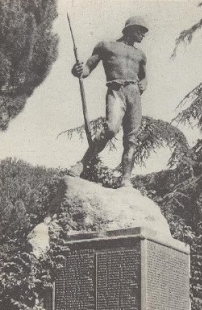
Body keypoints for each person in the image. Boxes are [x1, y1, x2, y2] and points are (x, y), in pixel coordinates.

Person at [71, 16, 148, 187]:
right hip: (116, 90)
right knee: (111, 128)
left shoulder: (140, 55)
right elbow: (87, 69)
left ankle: (126, 179)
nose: (143, 35)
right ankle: (82, 163)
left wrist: (142, 86)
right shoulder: (107, 46)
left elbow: (144, 77)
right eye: (140, 31)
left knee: (131, 139)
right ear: (129, 29)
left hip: (134, 94)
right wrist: (78, 70)